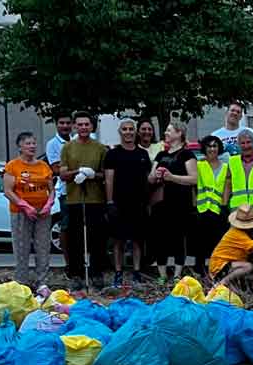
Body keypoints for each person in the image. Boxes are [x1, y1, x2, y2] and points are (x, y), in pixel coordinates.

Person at [58, 111, 108, 291]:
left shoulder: (100, 148)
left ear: (92, 126)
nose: (83, 128)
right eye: (80, 125)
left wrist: (93, 174)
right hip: (74, 199)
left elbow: (105, 174)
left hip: (95, 198)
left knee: (97, 239)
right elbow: (62, 173)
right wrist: (77, 172)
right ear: (75, 126)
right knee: (75, 239)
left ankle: (96, 273)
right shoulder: (68, 148)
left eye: (86, 124)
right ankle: (76, 275)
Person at [104, 118, 152, 287]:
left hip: (139, 203)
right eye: (125, 129)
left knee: (138, 240)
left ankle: (137, 273)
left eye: (131, 129)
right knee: (119, 241)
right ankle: (118, 273)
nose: (128, 132)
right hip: (119, 203)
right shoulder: (112, 154)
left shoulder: (142, 154)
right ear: (120, 132)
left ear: (136, 132)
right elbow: (109, 179)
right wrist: (110, 202)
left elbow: (148, 179)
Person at [148, 123, 198, 284]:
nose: (165, 132)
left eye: (169, 130)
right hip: (160, 203)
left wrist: (172, 177)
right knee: (159, 238)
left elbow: (194, 179)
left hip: (180, 203)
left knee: (178, 238)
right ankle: (162, 274)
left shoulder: (187, 155)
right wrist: (155, 175)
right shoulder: (161, 155)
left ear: (179, 133)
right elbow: (150, 178)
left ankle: (177, 274)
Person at [4, 132, 55, 286]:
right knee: (21, 247)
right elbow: (8, 190)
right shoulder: (13, 166)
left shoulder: (43, 166)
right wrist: (25, 206)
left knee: (43, 247)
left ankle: (42, 282)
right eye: (28, 143)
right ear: (20, 146)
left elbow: (51, 189)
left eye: (33, 143)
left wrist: (48, 204)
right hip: (21, 212)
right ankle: (21, 283)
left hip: (42, 212)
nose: (32, 146)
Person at [195, 135, 231, 276]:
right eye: (209, 146)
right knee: (201, 244)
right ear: (204, 148)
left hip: (218, 210)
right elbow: (194, 187)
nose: (212, 149)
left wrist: (223, 206)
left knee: (218, 243)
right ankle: (200, 272)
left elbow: (227, 187)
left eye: (215, 146)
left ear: (219, 148)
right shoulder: (199, 165)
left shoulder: (225, 167)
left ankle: (218, 271)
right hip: (202, 209)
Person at [45, 111, 73, 272]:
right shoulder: (53, 144)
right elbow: (56, 169)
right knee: (66, 227)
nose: (65, 126)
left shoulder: (77, 141)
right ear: (56, 124)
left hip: (83, 191)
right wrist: (76, 169)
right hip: (65, 191)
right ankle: (68, 263)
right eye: (62, 123)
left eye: (68, 123)